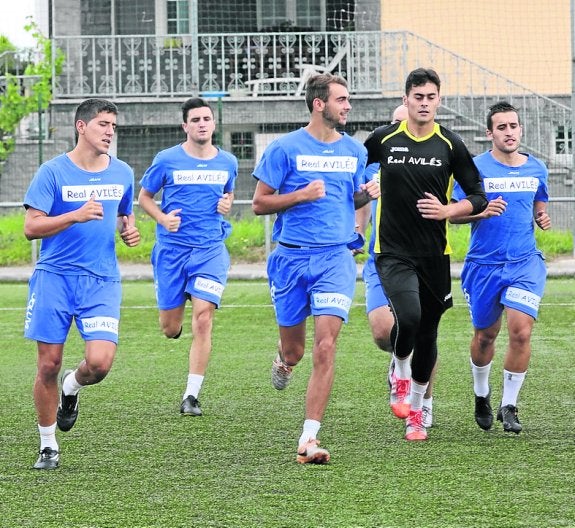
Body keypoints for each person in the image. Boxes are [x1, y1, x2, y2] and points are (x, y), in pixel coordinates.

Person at [252, 73, 379, 464]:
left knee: (327, 344)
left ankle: (309, 438)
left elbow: (352, 195)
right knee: (296, 351)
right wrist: (301, 195)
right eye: (342, 100)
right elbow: (259, 203)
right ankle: (283, 359)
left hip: (335, 259)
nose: (348, 106)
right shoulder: (284, 148)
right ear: (319, 103)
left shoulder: (355, 151)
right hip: (290, 258)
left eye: (348, 100)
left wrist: (366, 201)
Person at [364, 68, 487, 441]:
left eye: (431, 97)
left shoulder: (450, 145)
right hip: (392, 251)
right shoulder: (383, 139)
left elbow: (477, 195)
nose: (424, 103)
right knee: (410, 316)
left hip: (434, 254)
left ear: (438, 100)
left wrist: (450, 211)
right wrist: (361, 189)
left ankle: (416, 412)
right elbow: (352, 169)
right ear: (406, 100)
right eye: (417, 97)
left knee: (429, 333)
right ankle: (400, 374)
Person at [24, 98, 141, 470]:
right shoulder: (52, 172)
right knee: (48, 364)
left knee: (101, 363)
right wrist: (74, 215)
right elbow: (31, 227)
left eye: (113, 126)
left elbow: (125, 212)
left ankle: (71, 389)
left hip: (101, 281)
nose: (110, 132)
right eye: (103, 124)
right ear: (81, 127)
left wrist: (129, 228)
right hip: (54, 279)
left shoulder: (122, 171)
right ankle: (48, 445)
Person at [451, 101, 550, 434]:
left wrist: (540, 216)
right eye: (502, 127)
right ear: (489, 132)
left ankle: (509, 405)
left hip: (525, 262)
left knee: (521, 331)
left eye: (514, 126)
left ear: (521, 129)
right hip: (484, 266)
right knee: (485, 337)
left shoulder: (537, 168)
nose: (509, 132)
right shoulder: (475, 168)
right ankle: (482, 394)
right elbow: (454, 215)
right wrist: (481, 212)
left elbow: (540, 199)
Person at [138, 97, 237, 417]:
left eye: (206, 118)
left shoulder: (228, 162)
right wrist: (162, 219)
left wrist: (227, 205)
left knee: (204, 316)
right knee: (170, 328)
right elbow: (145, 197)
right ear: (185, 126)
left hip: (210, 249)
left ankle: (191, 395)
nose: (202, 124)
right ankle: (176, 316)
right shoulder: (166, 160)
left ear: (213, 123)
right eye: (195, 120)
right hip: (171, 252)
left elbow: (229, 192)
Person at [355, 103, 437, 429]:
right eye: (394, 123)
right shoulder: (373, 161)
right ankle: (396, 361)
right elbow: (353, 197)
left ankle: (421, 407)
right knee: (381, 333)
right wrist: (366, 196)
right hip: (383, 258)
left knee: (423, 334)